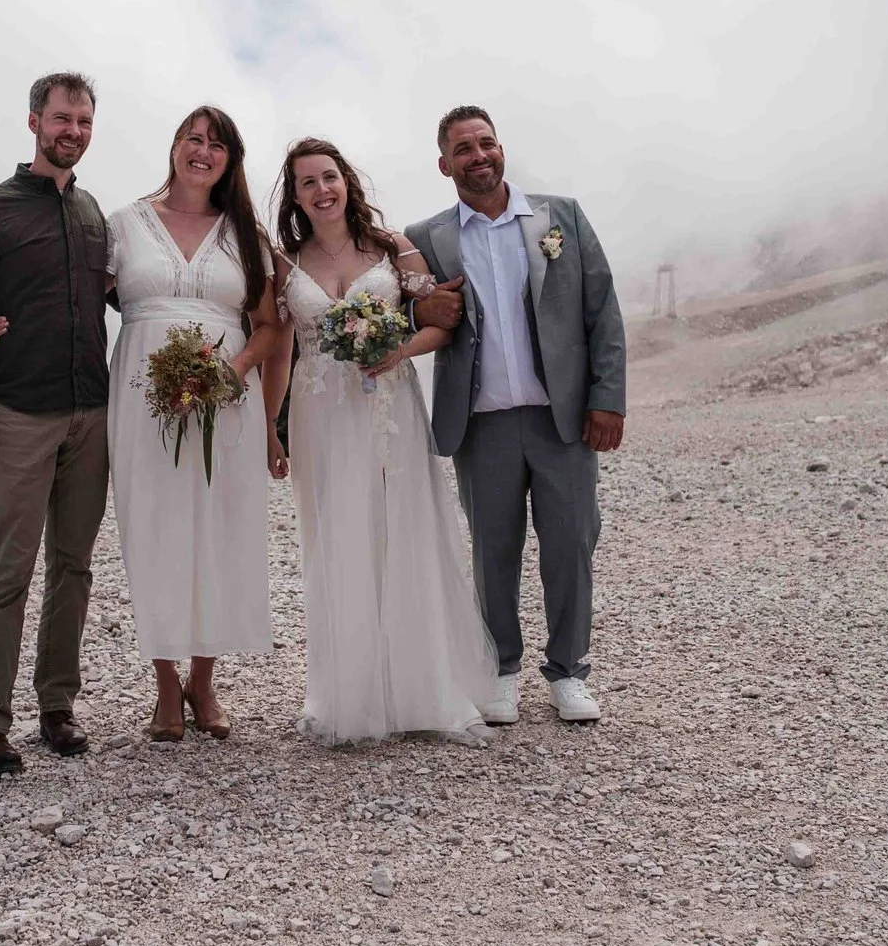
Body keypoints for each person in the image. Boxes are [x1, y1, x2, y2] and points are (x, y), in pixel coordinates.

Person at [261, 137, 492, 746]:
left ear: (347, 181)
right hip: (319, 414)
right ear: (296, 196)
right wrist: (269, 425)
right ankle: (352, 695)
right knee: (338, 540)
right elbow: (281, 347)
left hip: (389, 408)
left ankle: (422, 690)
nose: (322, 189)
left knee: (401, 531)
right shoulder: (286, 264)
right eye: (307, 182)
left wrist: (400, 350)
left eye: (329, 176)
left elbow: (444, 319)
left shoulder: (393, 249)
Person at [405, 107, 626, 727]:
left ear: (500, 149)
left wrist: (607, 398)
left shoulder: (561, 218)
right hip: (481, 424)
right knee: (492, 552)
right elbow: (411, 312)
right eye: (462, 148)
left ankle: (569, 672)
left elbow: (602, 310)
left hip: (562, 418)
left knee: (571, 544)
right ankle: (500, 670)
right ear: (444, 164)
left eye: (486, 143)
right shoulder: (428, 236)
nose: (478, 155)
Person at [0, 73, 112, 777]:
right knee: (10, 568)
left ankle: (56, 707)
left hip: (91, 413)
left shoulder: (94, 213)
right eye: (61, 118)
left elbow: (119, 297)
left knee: (73, 567)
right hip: (17, 412)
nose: (72, 130)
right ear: (35, 121)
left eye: (83, 120)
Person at [101, 106, 282, 742]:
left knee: (220, 528)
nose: (202, 152)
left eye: (216, 145)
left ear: (230, 160)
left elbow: (269, 325)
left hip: (227, 398)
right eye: (192, 139)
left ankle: (202, 680)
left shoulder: (245, 235)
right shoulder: (123, 225)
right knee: (153, 528)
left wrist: (230, 375)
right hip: (141, 395)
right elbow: (73, 297)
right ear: (174, 147)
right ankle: (161, 684)